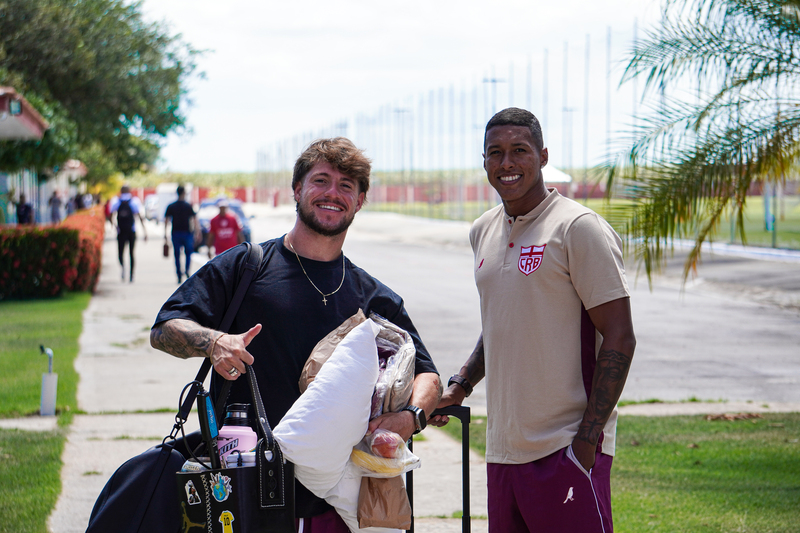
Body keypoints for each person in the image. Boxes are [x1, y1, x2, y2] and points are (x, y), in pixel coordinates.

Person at [150, 137, 442, 532]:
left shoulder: (374, 298)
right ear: (297, 190)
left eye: (346, 186)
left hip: (338, 504)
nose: (332, 194)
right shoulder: (246, 266)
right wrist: (215, 342)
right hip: (244, 494)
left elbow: (428, 374)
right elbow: (165, 327)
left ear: (359, 201)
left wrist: (412, 417)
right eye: (321, 180)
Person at [432, 108, 636, 533]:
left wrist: (587, 439)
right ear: (484, 161)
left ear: (543, 157)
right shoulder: (483, 230)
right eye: (496, 153)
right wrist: (461, 384)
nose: (507, 163)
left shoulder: (577, 228)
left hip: (564, 448)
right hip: (504, 452)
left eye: (519, 151)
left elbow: (619, 335)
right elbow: (504, 322)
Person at [109, 185, 148, 282]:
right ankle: (131, 274)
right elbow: (139, 216)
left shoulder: (116, 201)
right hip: (131, 231)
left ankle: (123, 268)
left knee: (121, 253)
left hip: (121, 231)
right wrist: (144, 231)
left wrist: (114, 225)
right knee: (131, 253)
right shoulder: (134, 201)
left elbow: (110, 214)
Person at [164, 185, 200, 283]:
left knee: (177, 255)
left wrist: (165, 234)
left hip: (175, 233)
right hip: (187, 233)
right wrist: (197, 232)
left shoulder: (171, 206)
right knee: (188, 253)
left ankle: (179, 274)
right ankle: (187, 270)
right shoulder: (188, 206)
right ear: (184, 193)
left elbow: (166, 221)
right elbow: (194, 220)